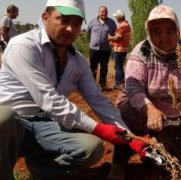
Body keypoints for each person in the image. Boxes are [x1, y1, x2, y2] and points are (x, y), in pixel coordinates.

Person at [0, 0, 148, 179]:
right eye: (63, 20)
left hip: (44, 125)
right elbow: (49, 99)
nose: (70, 29)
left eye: (76, 23)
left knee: (91, 148)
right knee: (4, 118)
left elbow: (98, 100)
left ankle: (40, 169)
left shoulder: (77, 62)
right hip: (13, 125)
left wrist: (130, 136)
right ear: (45, 18)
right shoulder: (23, 46)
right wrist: (99, 129)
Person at [108, 5, 181, 179]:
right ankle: (119, 161)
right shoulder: (142, 51)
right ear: (149, 33)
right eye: (157, 32)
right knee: (127, 120)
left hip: (170, 118)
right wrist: (150, 109)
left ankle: (147, 151)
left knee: (170, 165)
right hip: (139, 109)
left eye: (169, 31)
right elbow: (133, 87)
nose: (164, 38)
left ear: (176, 30)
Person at [87, 6, 117, 89]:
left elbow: (115, 34)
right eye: (102, 12)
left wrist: (112, 41)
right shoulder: (92, 22)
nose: (104, 13)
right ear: (98, 12)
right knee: (92, 67)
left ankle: (102, 85)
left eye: (106, 12)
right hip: (93, 49)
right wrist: (92, 42)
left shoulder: (112, 22)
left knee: (104, 67)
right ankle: (91, 85)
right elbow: (88, 32)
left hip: (106, 50)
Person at [108, 9, 132, 90]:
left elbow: (117, 38)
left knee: (118, 67)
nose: (115, 18)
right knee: (119, 67)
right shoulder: (126, 25)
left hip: (119, 50)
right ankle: (117, 83)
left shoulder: (123, 26)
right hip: (123, 49)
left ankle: (120, 84)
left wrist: (109, 38)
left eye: (116, 17)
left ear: (118, 17)